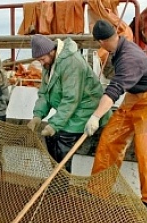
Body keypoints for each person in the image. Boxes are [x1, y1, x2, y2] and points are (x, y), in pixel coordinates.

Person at [84, 19, 147, 212]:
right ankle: (97, 190)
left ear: (101, 42)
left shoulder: (128, 57)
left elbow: (115, 89)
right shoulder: (118, 49)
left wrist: (95, 116)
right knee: (109, 140)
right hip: (132, 99)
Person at [27, 34, 111, 173]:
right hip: (71, 112)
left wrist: (55, 125)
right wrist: (38, 115)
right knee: (50, 138)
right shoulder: (49, 64)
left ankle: (62, 184)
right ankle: (56, 179)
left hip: (85, 110)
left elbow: (71, 99)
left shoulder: (71, 62)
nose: (41, 63)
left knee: (62, 139)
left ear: (52, 51)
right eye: (39, 60)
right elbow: (44, 93)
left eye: (42, 59)